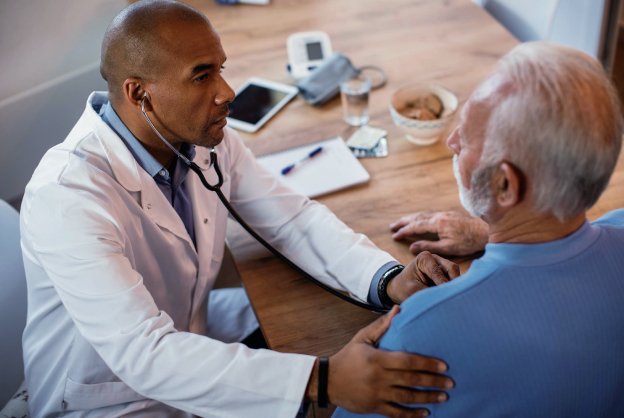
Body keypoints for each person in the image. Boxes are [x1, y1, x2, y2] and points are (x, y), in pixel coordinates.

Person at [19, 1, 460, 417]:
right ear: (140, 94)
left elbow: (291, 219)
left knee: (308, 328)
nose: (227, 92)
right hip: (105, 398)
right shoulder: (68, 197)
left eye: (221, 70)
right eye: (201, 76)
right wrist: (321, 380)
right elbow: (143, 354)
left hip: (191, 331)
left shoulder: (199, 140)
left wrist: (386, 279)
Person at [334, 41, 624, 418]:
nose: (452, 141)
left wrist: (325, 380)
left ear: (505, 186)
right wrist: (490, 233)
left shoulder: (421, 331)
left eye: (467, 137)